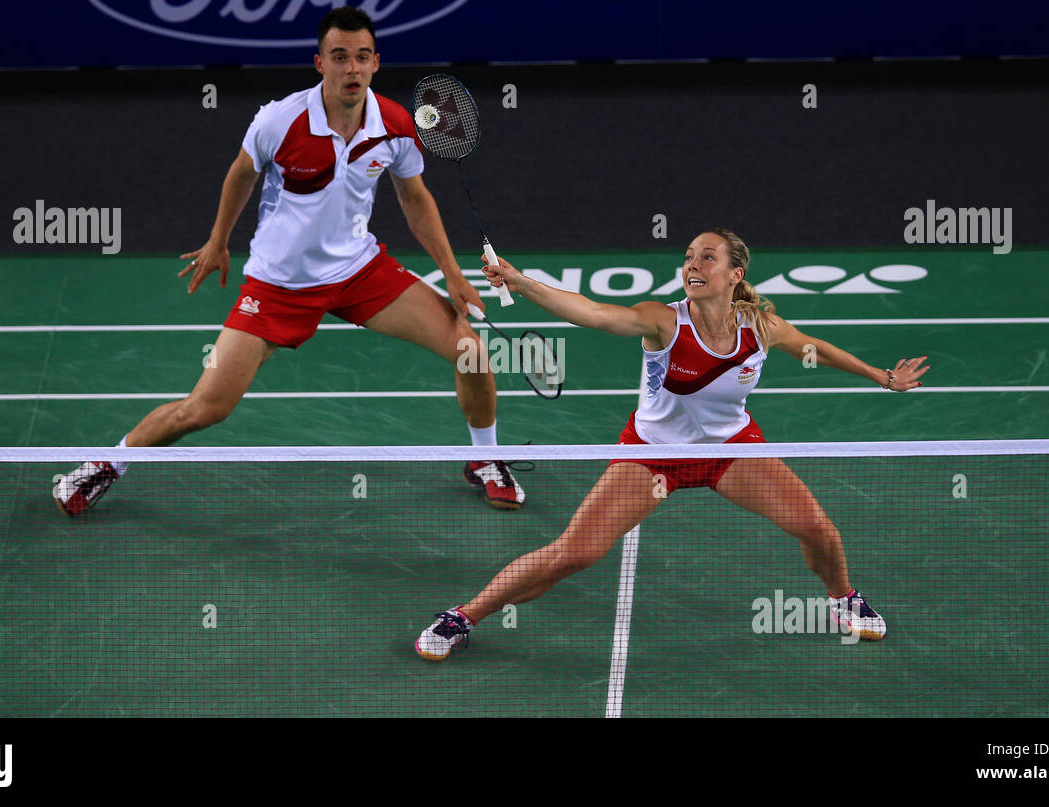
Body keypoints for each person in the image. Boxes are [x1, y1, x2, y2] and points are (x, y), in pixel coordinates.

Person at [53, 8, 525, 515]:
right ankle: (106, 462)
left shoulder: (394, 125)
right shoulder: (280, 120)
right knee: (207, 408)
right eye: (339, 57)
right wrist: (218, 241)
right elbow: (241, 175)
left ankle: (486, 459)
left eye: (361, 58)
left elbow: (415, 199)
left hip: (358, 271)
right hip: (278, 283)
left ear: (376, 64)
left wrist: (453, 276)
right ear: (319, 63)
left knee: (469, 349)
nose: (351, 69)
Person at [416, 228, 930, 660]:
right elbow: (590, 312)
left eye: (708, 256)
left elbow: (813, 349)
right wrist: (519, 282)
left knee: (817, 527)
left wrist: (882, 376)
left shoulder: (760, 327)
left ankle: (844, 600)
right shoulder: (663, 322)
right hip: (652, 455)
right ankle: (462, 616)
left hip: (732, 451)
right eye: (688, 256)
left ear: (735, 275)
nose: (693, 263)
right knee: (574, 552)